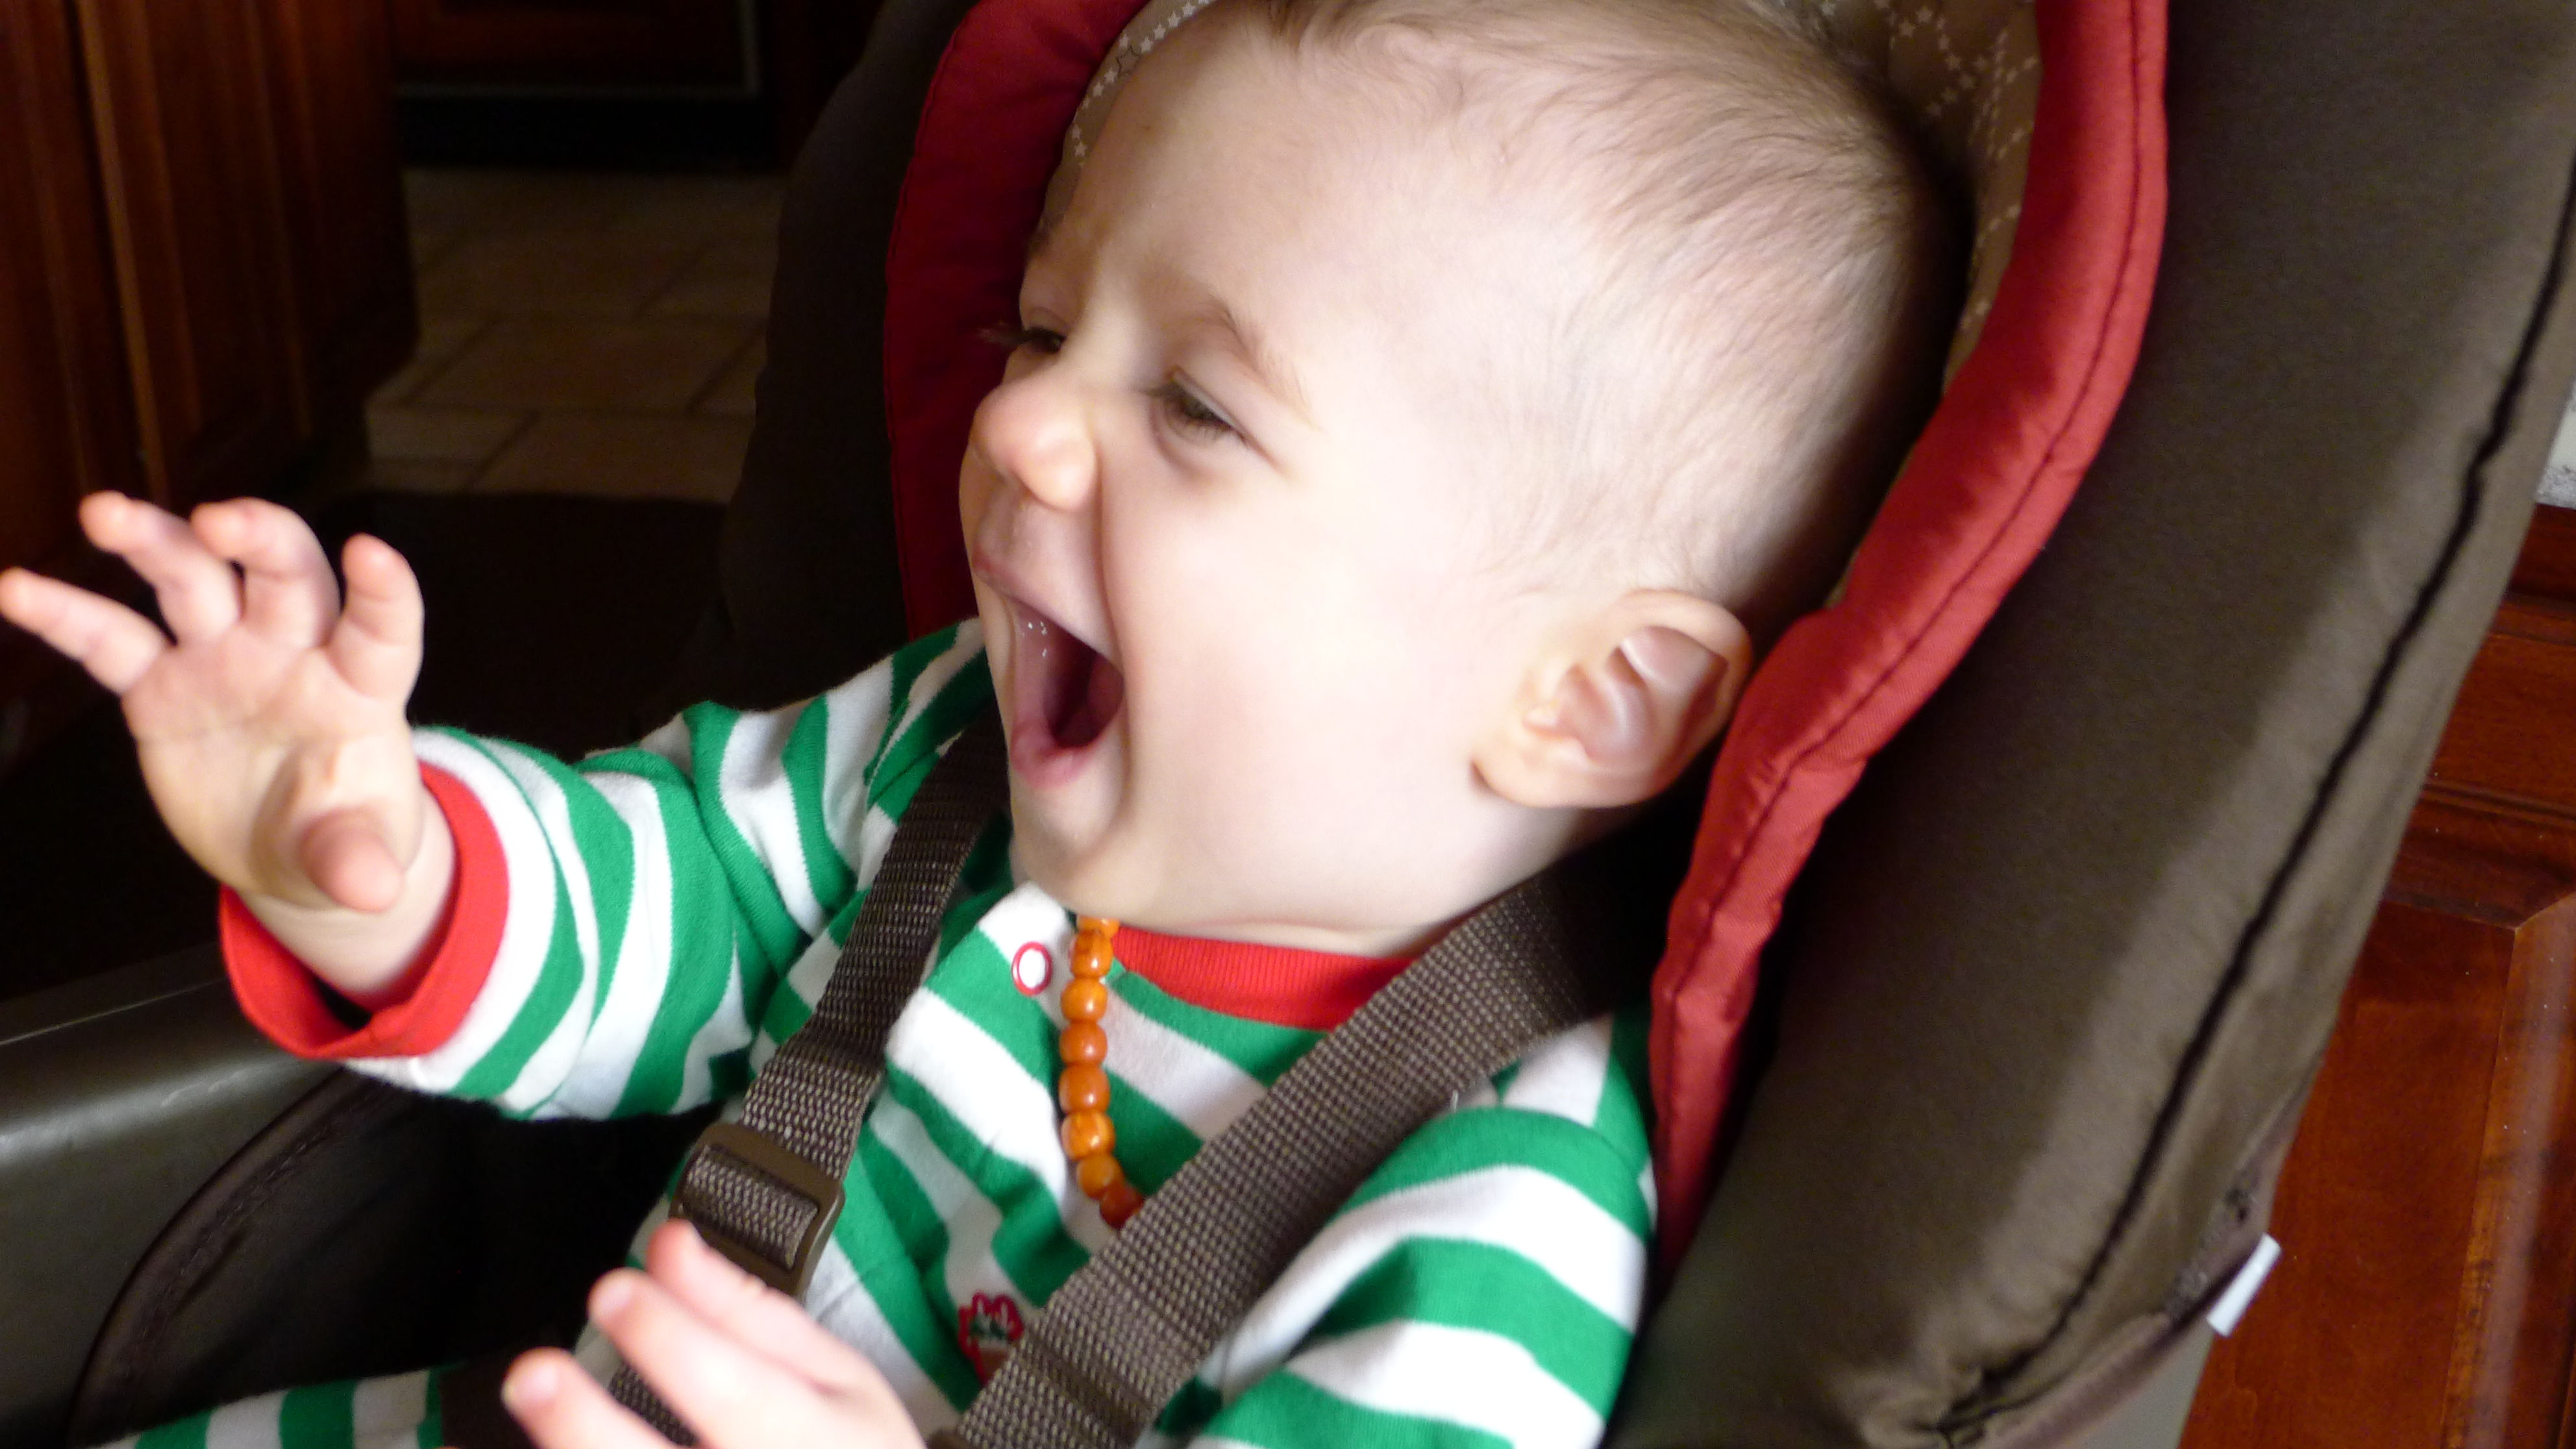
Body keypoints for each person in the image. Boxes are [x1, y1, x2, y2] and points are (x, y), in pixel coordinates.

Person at [0, 0, 1951, 1444]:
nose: (1017, 422)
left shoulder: (1494, 1216)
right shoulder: (953, 751)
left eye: (1195, 407)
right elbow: (663, 898)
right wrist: (375, 850)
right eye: (1044, 330)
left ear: (1590, 704)